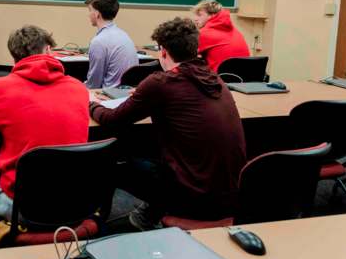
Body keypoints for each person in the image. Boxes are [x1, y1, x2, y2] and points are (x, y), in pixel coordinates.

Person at [90, 17, 246, 230]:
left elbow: (111, 120)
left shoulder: (160, 83)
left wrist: (92, 104)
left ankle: (106, 226)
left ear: (163, 52)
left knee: (114, 160)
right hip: (229, 195)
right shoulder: (214, 79)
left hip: (193, 195)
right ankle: (152, 212)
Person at [0, 25, 90, 220]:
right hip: (76, 198)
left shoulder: (1, 88)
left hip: (24, 203)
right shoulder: (78, 88)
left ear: (14, 56)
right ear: (49, 50)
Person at [84, 0, 138, 88]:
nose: (88, 15)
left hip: (108, 97)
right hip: (127, 95)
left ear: (97, 14)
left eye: (90, 10)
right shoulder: (124, 34)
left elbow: (93, 85)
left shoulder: (98, 42)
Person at [192, 0, 250, 73]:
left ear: (212, 15)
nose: (195, 19)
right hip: (243, 80)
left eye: (199, 15)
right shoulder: (236, 31)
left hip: (219, 81)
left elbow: (186, 55)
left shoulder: (205, 33)